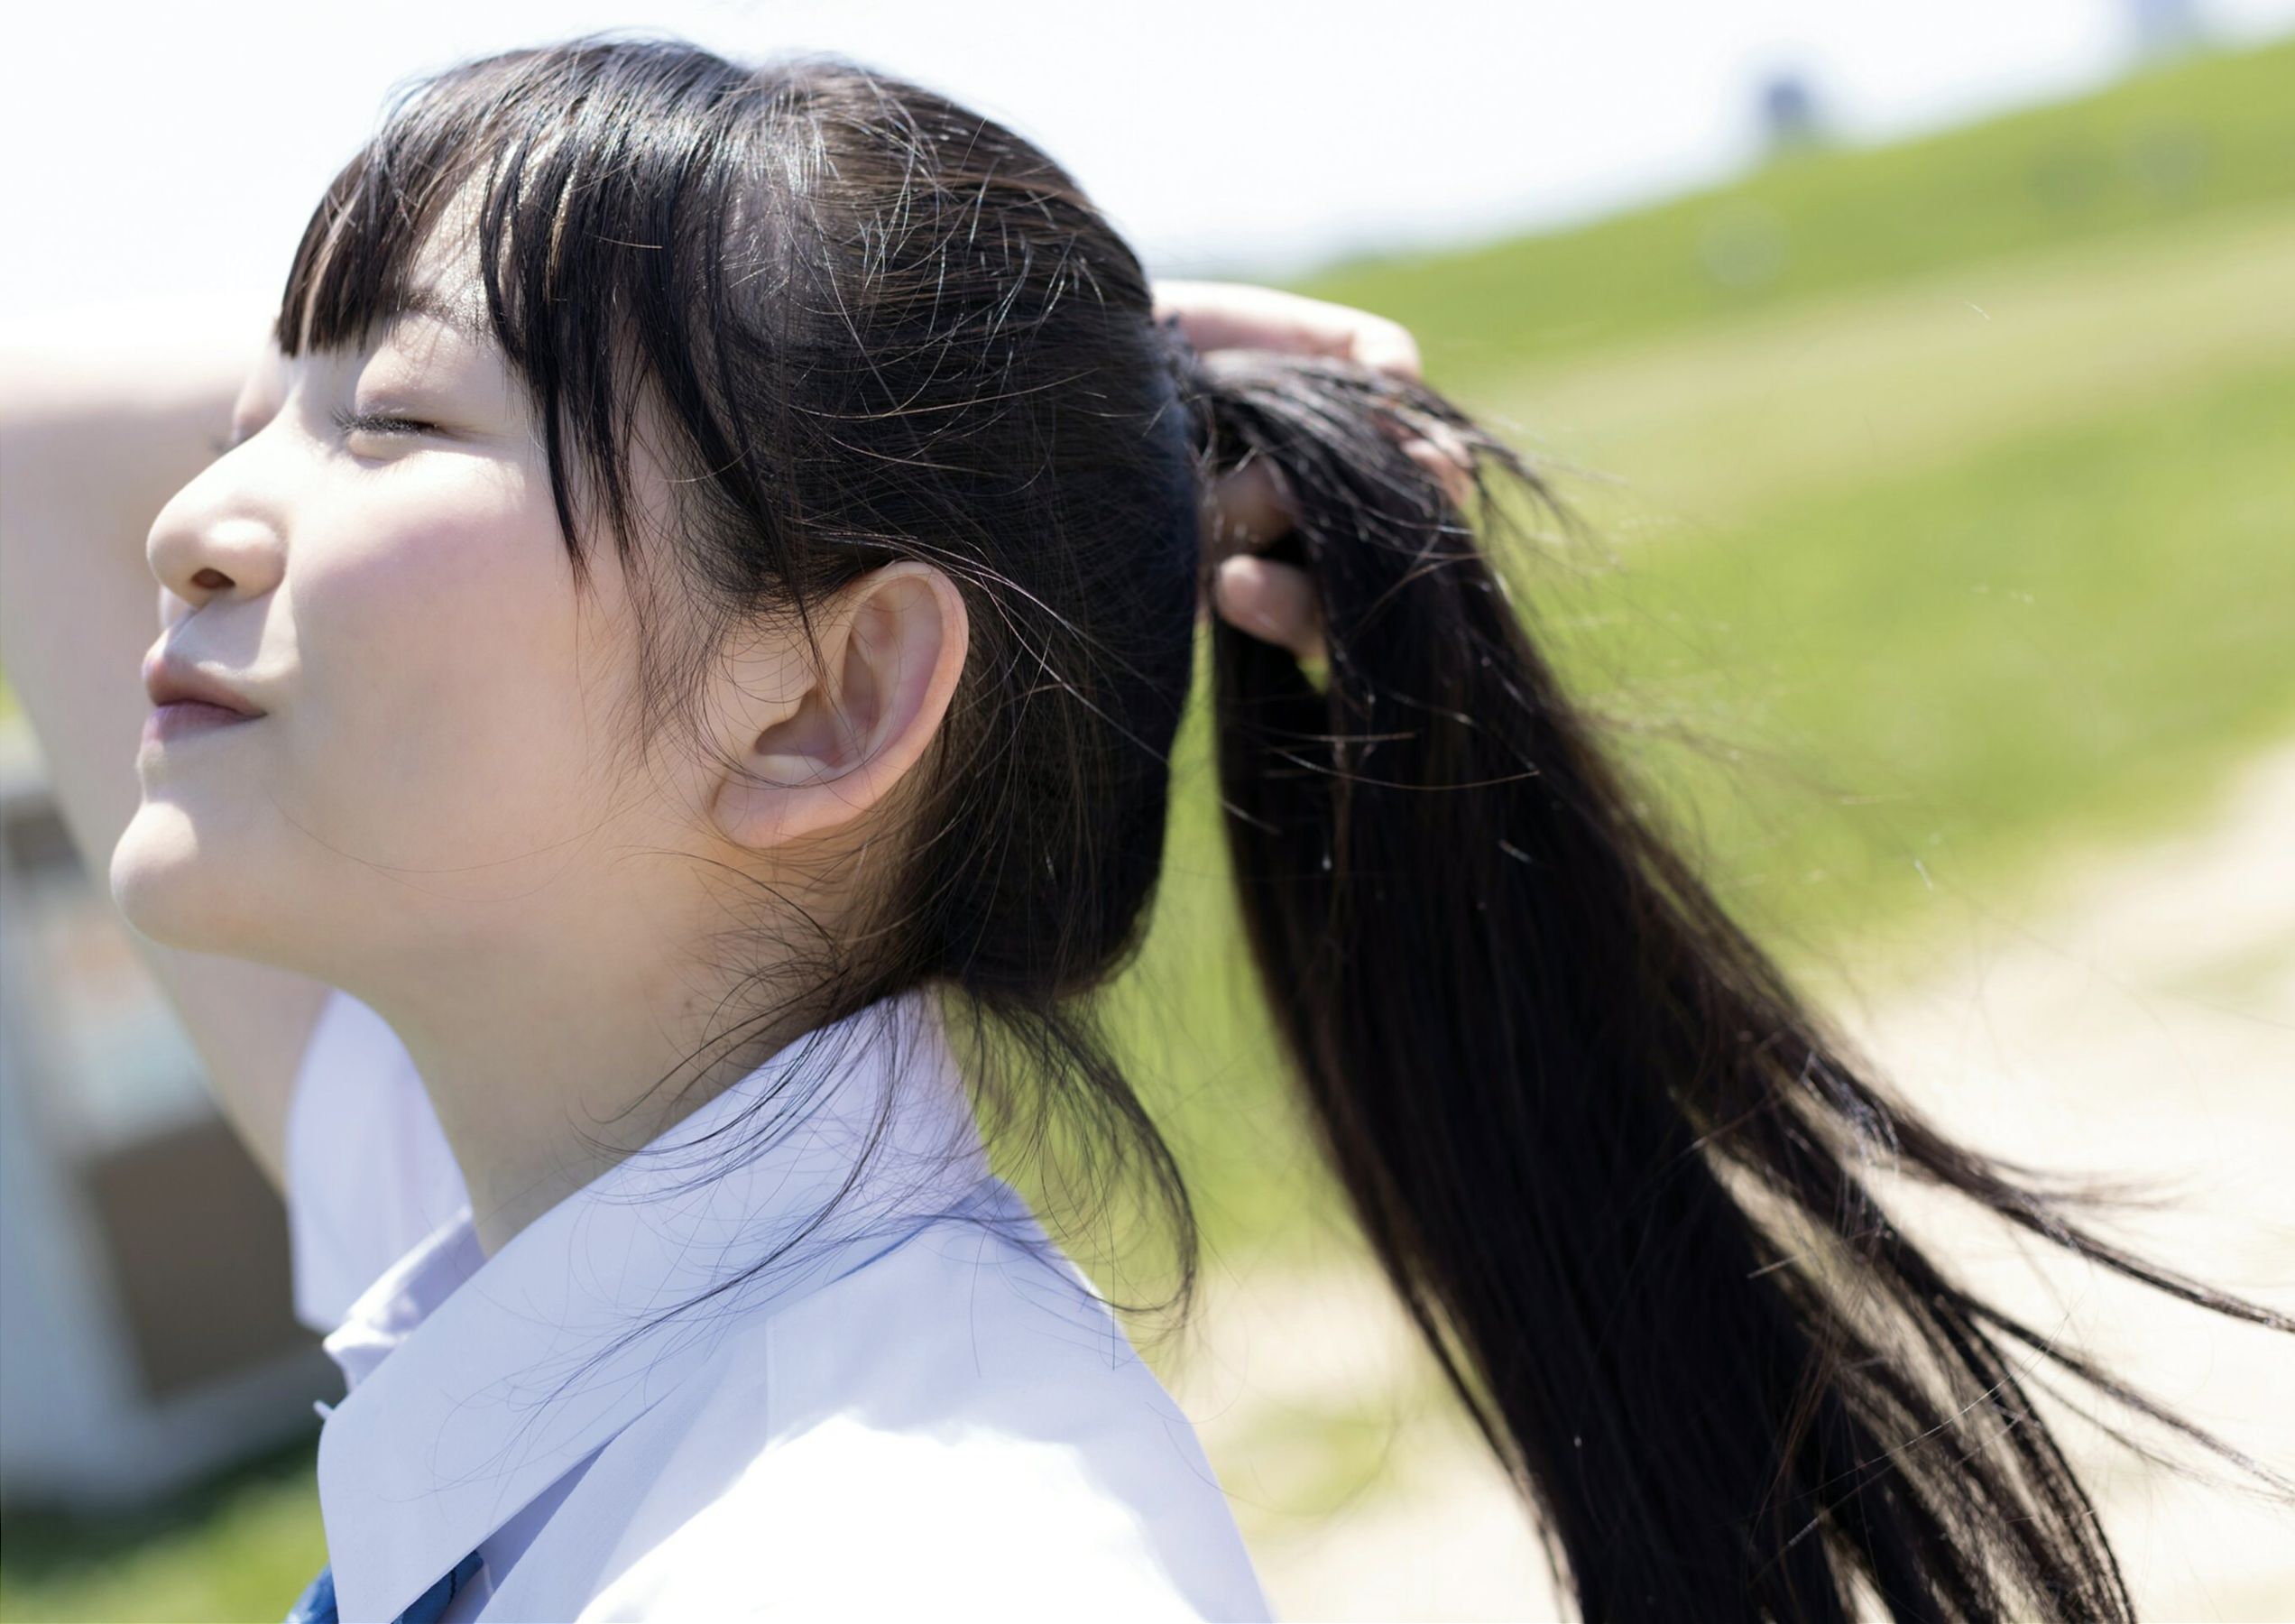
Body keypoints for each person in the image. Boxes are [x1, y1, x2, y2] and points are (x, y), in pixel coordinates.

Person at [2, 32, 2287, 1624]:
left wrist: (956, 419)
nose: (201, 515)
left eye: (394, 421)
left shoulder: (904, 1566)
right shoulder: (531, 1202)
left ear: (828, 699)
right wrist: (1067, 411)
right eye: (258, 408)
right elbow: (38, 443)